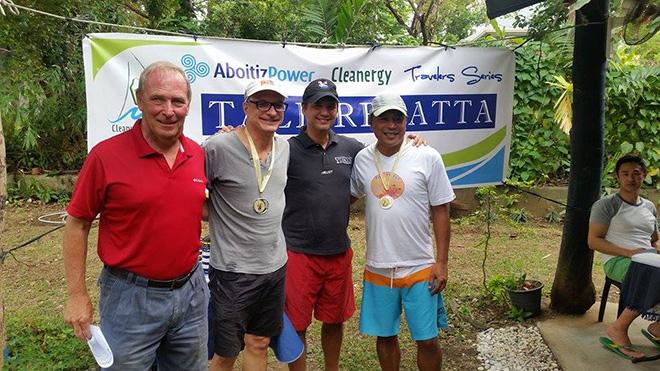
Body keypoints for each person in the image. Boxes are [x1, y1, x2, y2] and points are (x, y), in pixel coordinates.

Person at [63, 61, 209, 370]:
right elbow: (77, 223)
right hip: (130, 298)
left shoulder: (196, 154)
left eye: (177, 101)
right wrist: (77, 294)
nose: (168, 110)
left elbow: (187, 207)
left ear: (188, 106)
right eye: (158, 99)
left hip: (192, 292)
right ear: (139, 99)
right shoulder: (106, 156)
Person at [350, 94, 455, 371]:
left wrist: (441, 262)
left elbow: (441, 210)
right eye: (384, 118)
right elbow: (345, 198)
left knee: (428, 339)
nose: (392, 125)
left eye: (398, 119)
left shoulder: (426, 156)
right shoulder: (361, 159)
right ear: (372, 122)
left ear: (406, 122)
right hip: (378, 265)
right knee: (385, 336)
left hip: (419, 265)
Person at [205, 79, 290, 371]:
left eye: (277, 104)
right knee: (226, 351)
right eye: (262, 103)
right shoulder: (217, 147)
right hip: (232, 271)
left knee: (259, 342)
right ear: (246, 107)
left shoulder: (285, 148)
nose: (271, 111)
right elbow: (194, 197)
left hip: (275, 267)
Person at [283, 79, 363, 371]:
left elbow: (385, 157)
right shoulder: (286, 149)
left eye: (330, 105)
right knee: (297, 324)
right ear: (304, 109)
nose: (325, 112)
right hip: (298, 253)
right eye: (318, 105)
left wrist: (414, 141)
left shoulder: (352, 148)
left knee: (334, 320)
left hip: (338, 252)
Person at [588, 154, 659, 359]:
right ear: (618, 177)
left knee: (653, 269)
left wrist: (655, 248)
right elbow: (593, 241)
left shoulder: (649, 207)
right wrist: (630, 253)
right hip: (618, 260)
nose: (630, 178)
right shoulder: (606, 205)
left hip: (648, 258)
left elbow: (654, 240)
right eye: (625, 174)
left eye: (636, 173)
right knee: (653, 273)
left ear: (644, 175)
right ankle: (618, 328)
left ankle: (657, 327)